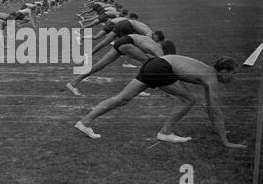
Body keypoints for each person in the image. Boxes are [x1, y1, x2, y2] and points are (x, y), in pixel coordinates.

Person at [75, 55, 246, 149]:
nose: (233, 77)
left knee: (122, 99)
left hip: (155, 63)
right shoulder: (211, 78)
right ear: (224, 71)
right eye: (233, 73)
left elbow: (211, 108)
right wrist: (226, 141)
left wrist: (218, 130)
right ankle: (165, 132)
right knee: (190, 98)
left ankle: (85, 122)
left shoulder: (208, 74)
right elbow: (215, 110)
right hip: (161, 67)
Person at [67, 34, 165, 96]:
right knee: (147, 62)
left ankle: (73, 83)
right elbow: (163, 63)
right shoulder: (157, 48)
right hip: (127, 43)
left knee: (100, 65)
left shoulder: (151, 42)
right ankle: (138, 88)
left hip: (122, 41)